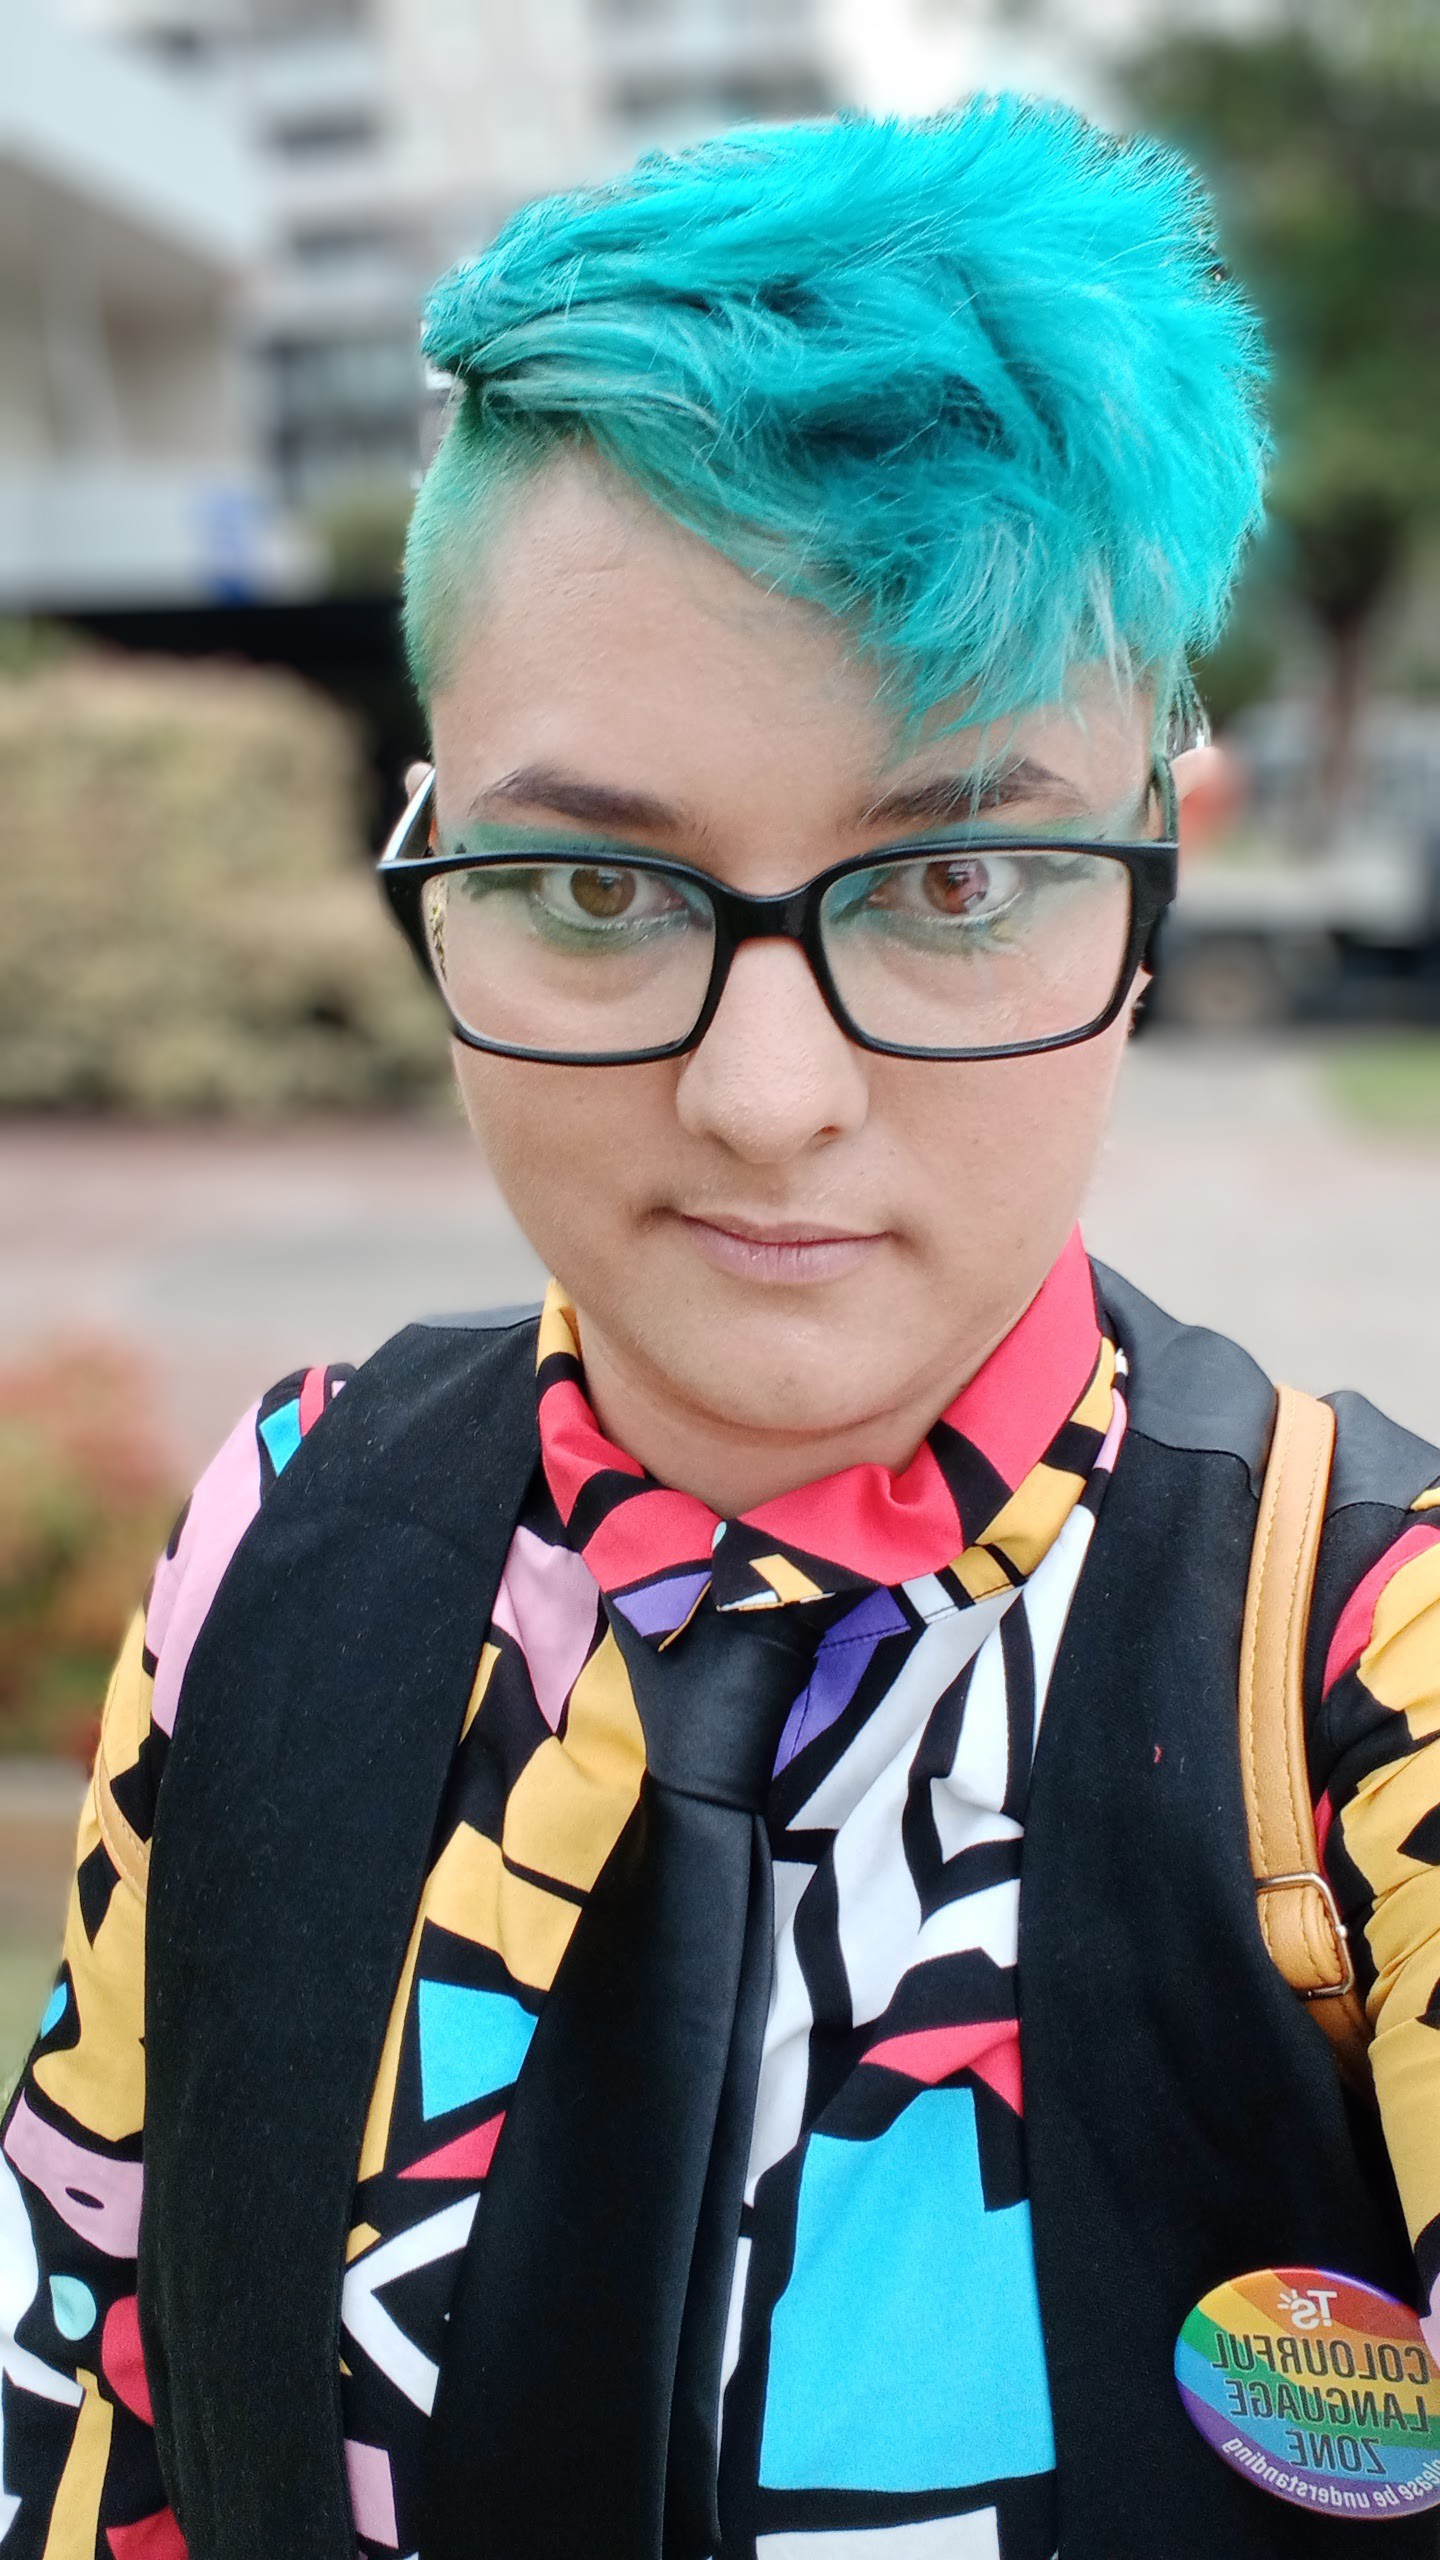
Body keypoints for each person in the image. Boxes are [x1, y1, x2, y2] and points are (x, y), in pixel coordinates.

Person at [3, 94, 1439, 2560]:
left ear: (1150, 890)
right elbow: (88, 2375)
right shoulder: (281, 1529)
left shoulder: (1363, 1672)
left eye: (959, 874)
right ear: (432, 854)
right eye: (591, 882)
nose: (765, 1097)